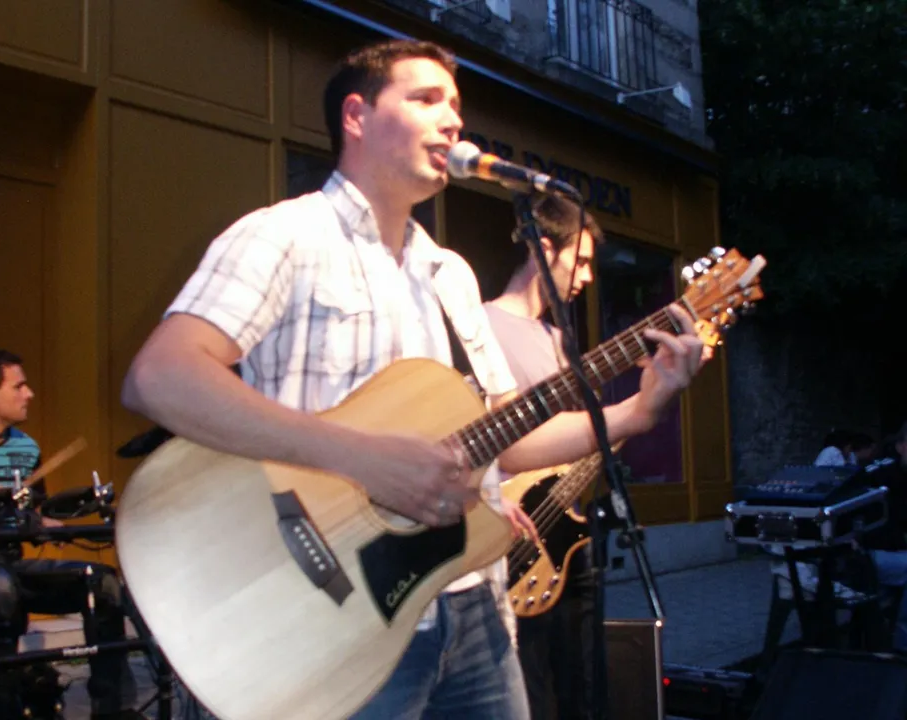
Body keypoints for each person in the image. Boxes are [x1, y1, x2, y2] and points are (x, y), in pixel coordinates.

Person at [121, 38, 704, 719]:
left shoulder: (450, 275)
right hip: (342, 625)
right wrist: (360, 457)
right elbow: (160, 377)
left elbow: (509, 436)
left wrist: (638, 410)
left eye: (455, 105)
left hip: (474, 610)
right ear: (357, 117)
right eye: (426, 99)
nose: (453, 120)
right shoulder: (285, 235)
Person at [485, 195, 705, 718]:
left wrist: (648, 401)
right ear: (543, 250)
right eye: (580, 260)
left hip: (568, 535)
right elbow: (483, 439)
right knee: (533, 695)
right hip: (513, 538)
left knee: (583, 693)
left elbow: (579, 439)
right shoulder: (481, 326)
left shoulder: (558, 339)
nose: (587, 276)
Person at [0, 349, 139, 719]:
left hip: (8, 563)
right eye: (19, 386)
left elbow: (32, 517)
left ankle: (112, 708)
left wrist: (57, 525)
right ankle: (2, 707)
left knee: (101, 581)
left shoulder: (26, 448)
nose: (30, 393)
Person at [858, 421, 907, 650]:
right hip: (874, 553)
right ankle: (902, 643)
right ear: (900, 446)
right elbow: (874, 528)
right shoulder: (880, 478)